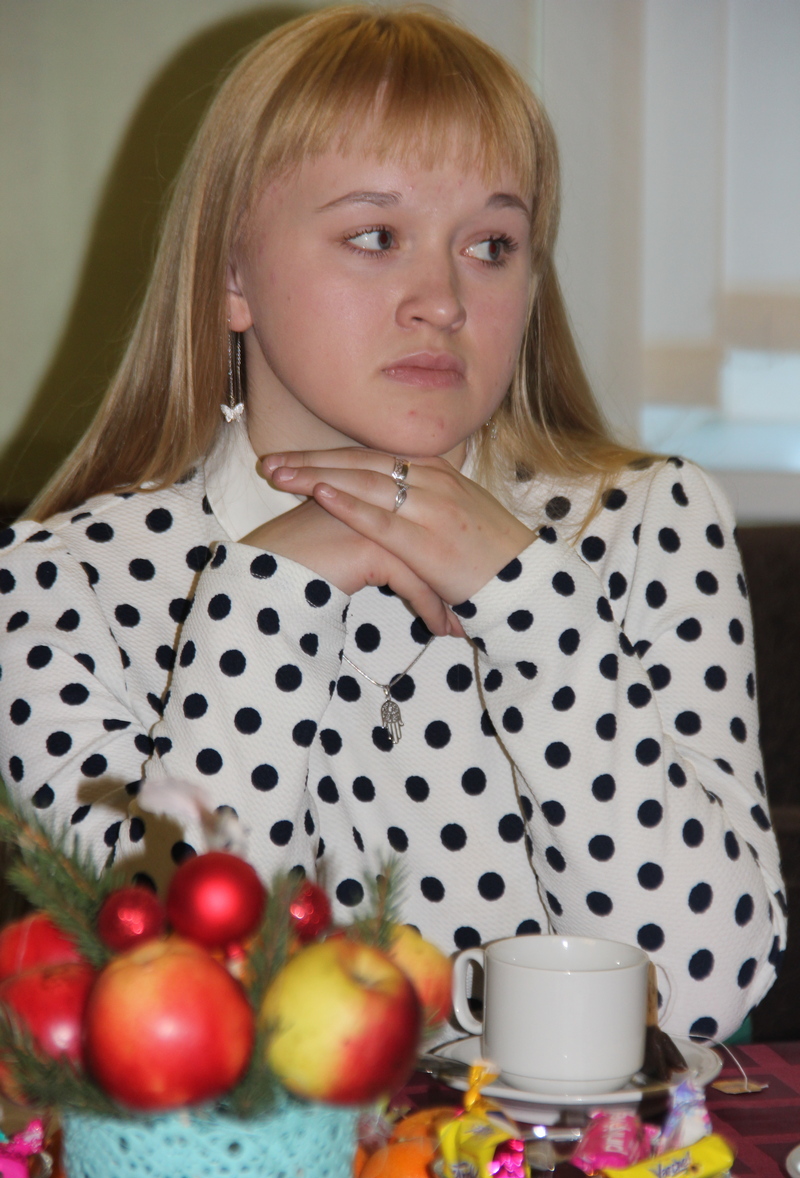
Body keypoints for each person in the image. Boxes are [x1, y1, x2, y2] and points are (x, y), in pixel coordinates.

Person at [0, 5, 785, 1042]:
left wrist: (525, 594)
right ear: (232, 276)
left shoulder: (646, 524)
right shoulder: (58, 584)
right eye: (374, 237)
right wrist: (268, 594)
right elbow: (161, 1017)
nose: (443, 301)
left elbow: (702, 993)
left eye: (492, 245)